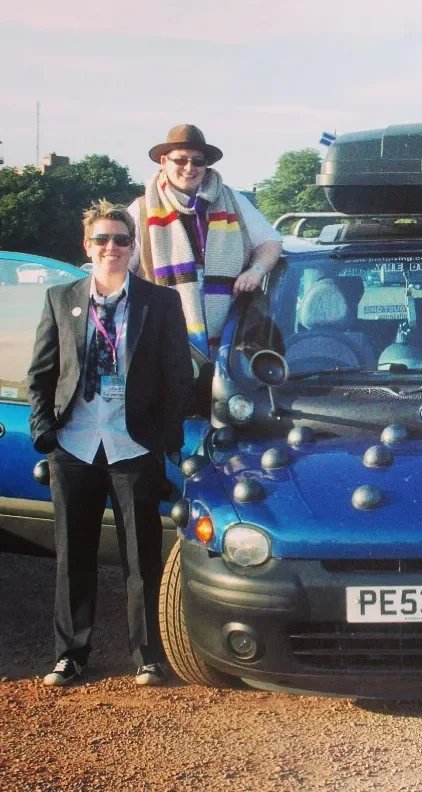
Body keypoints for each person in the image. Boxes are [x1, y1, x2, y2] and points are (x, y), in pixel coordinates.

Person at [28, 200, 193, 687]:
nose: (112, 248)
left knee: (141, 556)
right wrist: (45, 432)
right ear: (87, 246)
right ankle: (71, 654)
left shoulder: (159, 303)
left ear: (132, 247)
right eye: (102, 239)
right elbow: (41, 374)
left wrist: (164, 438)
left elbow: (177, 376)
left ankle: (147, 655)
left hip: (132, 445)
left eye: (121, 240)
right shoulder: (62, 300)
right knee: (72, 553)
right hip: (75, 445)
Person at [128, 124, 282, 360]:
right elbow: (121, 273)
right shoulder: (140, 210)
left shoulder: (233, 200)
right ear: (163, 161)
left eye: (198, 161)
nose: (189, 168)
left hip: (227, 343)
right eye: (180, 161)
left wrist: (256, 270)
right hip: (162, 340)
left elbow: (271, 242)